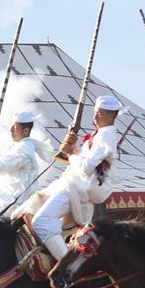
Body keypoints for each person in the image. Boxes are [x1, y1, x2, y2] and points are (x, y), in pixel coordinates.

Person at [31, 95, 123, 262]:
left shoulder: (105, 136)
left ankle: (67, 266)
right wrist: (73, 149)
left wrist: (71, 153)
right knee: (28, 208)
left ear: (111, 116)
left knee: (41, 221)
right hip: (70, 185)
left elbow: (84, 168)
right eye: (95, 112)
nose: (95, 117)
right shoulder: (99, 135)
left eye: (100, 114)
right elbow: (81, 162)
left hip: (75, 190)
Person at [0, 111, 52, 216]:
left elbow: (0, 167)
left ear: (25, 131)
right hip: (6, 192)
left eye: (15, 128)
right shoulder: (19, 145)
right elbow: (4, 160)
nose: (11, 130)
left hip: (14, 199)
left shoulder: (24, 148)